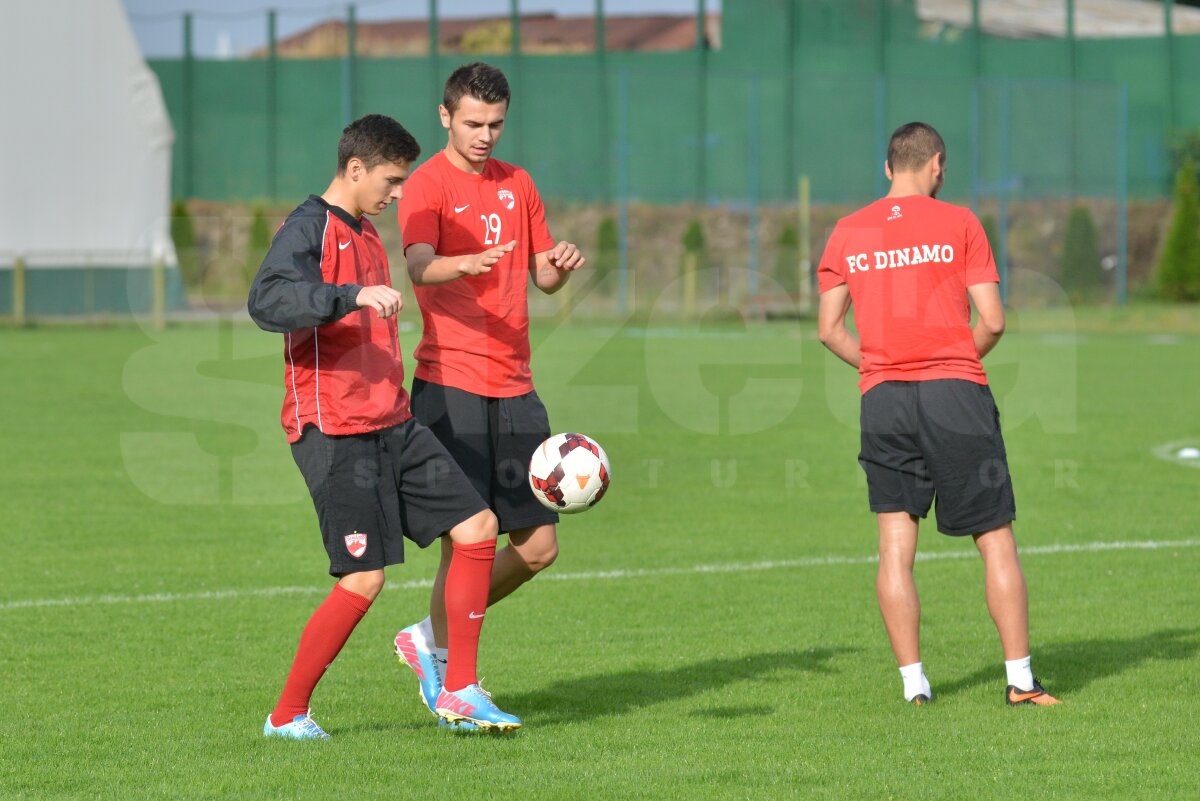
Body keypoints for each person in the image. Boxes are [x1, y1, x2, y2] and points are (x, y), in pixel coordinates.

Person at [248, 113, 522, 738]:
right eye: (391, 181)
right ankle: (287, 715)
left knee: (478, 526)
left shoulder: (367, 233)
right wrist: (348, 297)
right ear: (355, 168)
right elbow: (266, 300)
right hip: (334, 427)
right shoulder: (308, 227)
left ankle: (460, 690)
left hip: (392, 420)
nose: (398, 193)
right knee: (364, 579)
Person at [816, 122, 1059, 707]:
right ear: (937, 165)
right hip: (955, 393)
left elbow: (828, 330)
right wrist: (947, 358)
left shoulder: (848, 231)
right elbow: (994, 321)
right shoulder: (960, 223)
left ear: (886, 168)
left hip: (883, 398)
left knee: (894, 546)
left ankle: (914, 687)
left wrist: (877, 365)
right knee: (994, 538)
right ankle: (1021, 683)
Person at [391, 62, 585, 719]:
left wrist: (556, 265)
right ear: (445, 116)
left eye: (496, 124)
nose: (485, 136)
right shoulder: (425, 184)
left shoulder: (517, 183)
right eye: (473, 123)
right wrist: (461, 264)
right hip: (450, 385)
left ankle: (429, 638)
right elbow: (418, 264)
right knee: (466, 538)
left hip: (517, 386)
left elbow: (541, 279)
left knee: (537, 547)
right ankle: (454, 677)